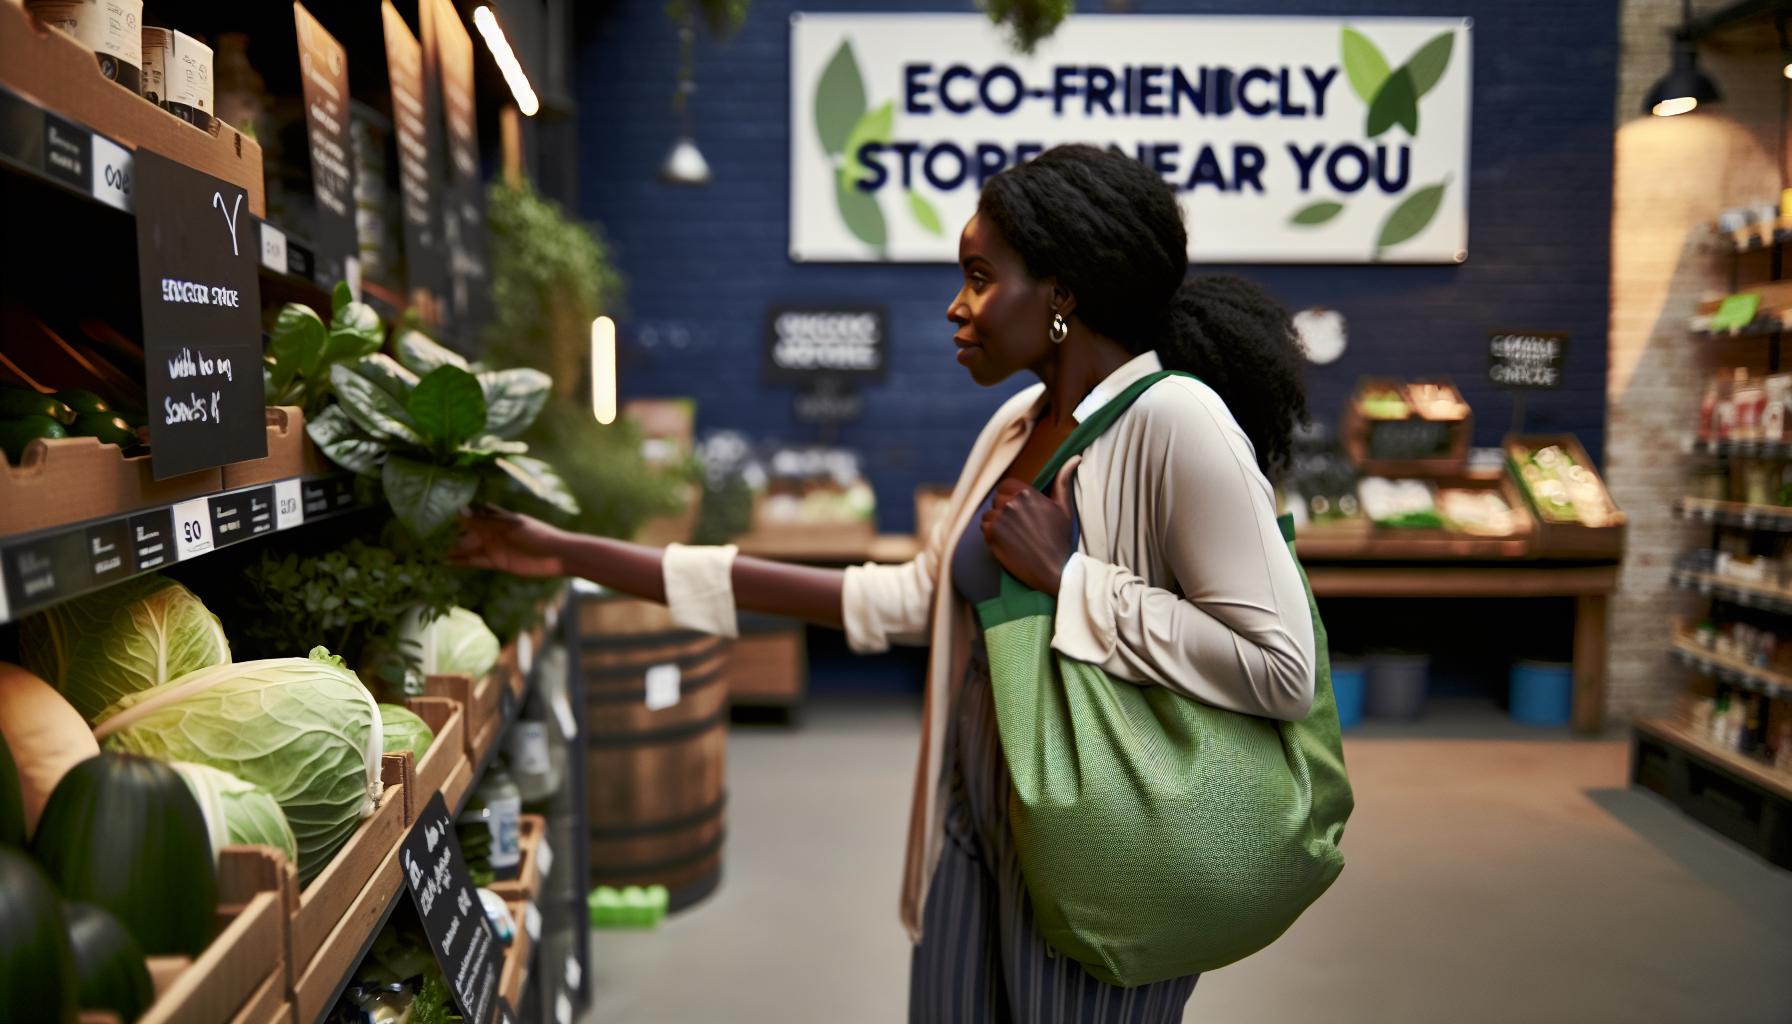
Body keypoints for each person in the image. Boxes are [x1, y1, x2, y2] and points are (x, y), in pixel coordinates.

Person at [455, 143, 1317, 1023]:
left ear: (1061, 294)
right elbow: (905, 599)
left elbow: (1283, 670)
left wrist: (1070, 579)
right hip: (975, 822)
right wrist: (571, 553)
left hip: (1105, 848)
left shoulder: (1176, 419)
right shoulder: (1016, 424)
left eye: (980, 278)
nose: (957, 307)